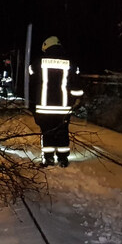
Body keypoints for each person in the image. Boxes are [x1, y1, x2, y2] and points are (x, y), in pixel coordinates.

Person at [29, 36, 84, 167]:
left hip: (43, 107)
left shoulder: (37, 63)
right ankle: (63, 159)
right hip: (64, 107)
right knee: (63, 131)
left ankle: (48, 159)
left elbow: (31, 83)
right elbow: (77, 85)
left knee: (47, 132)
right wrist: (76, 100)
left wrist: (32, 104)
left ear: (46, 47)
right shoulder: (71, 64)